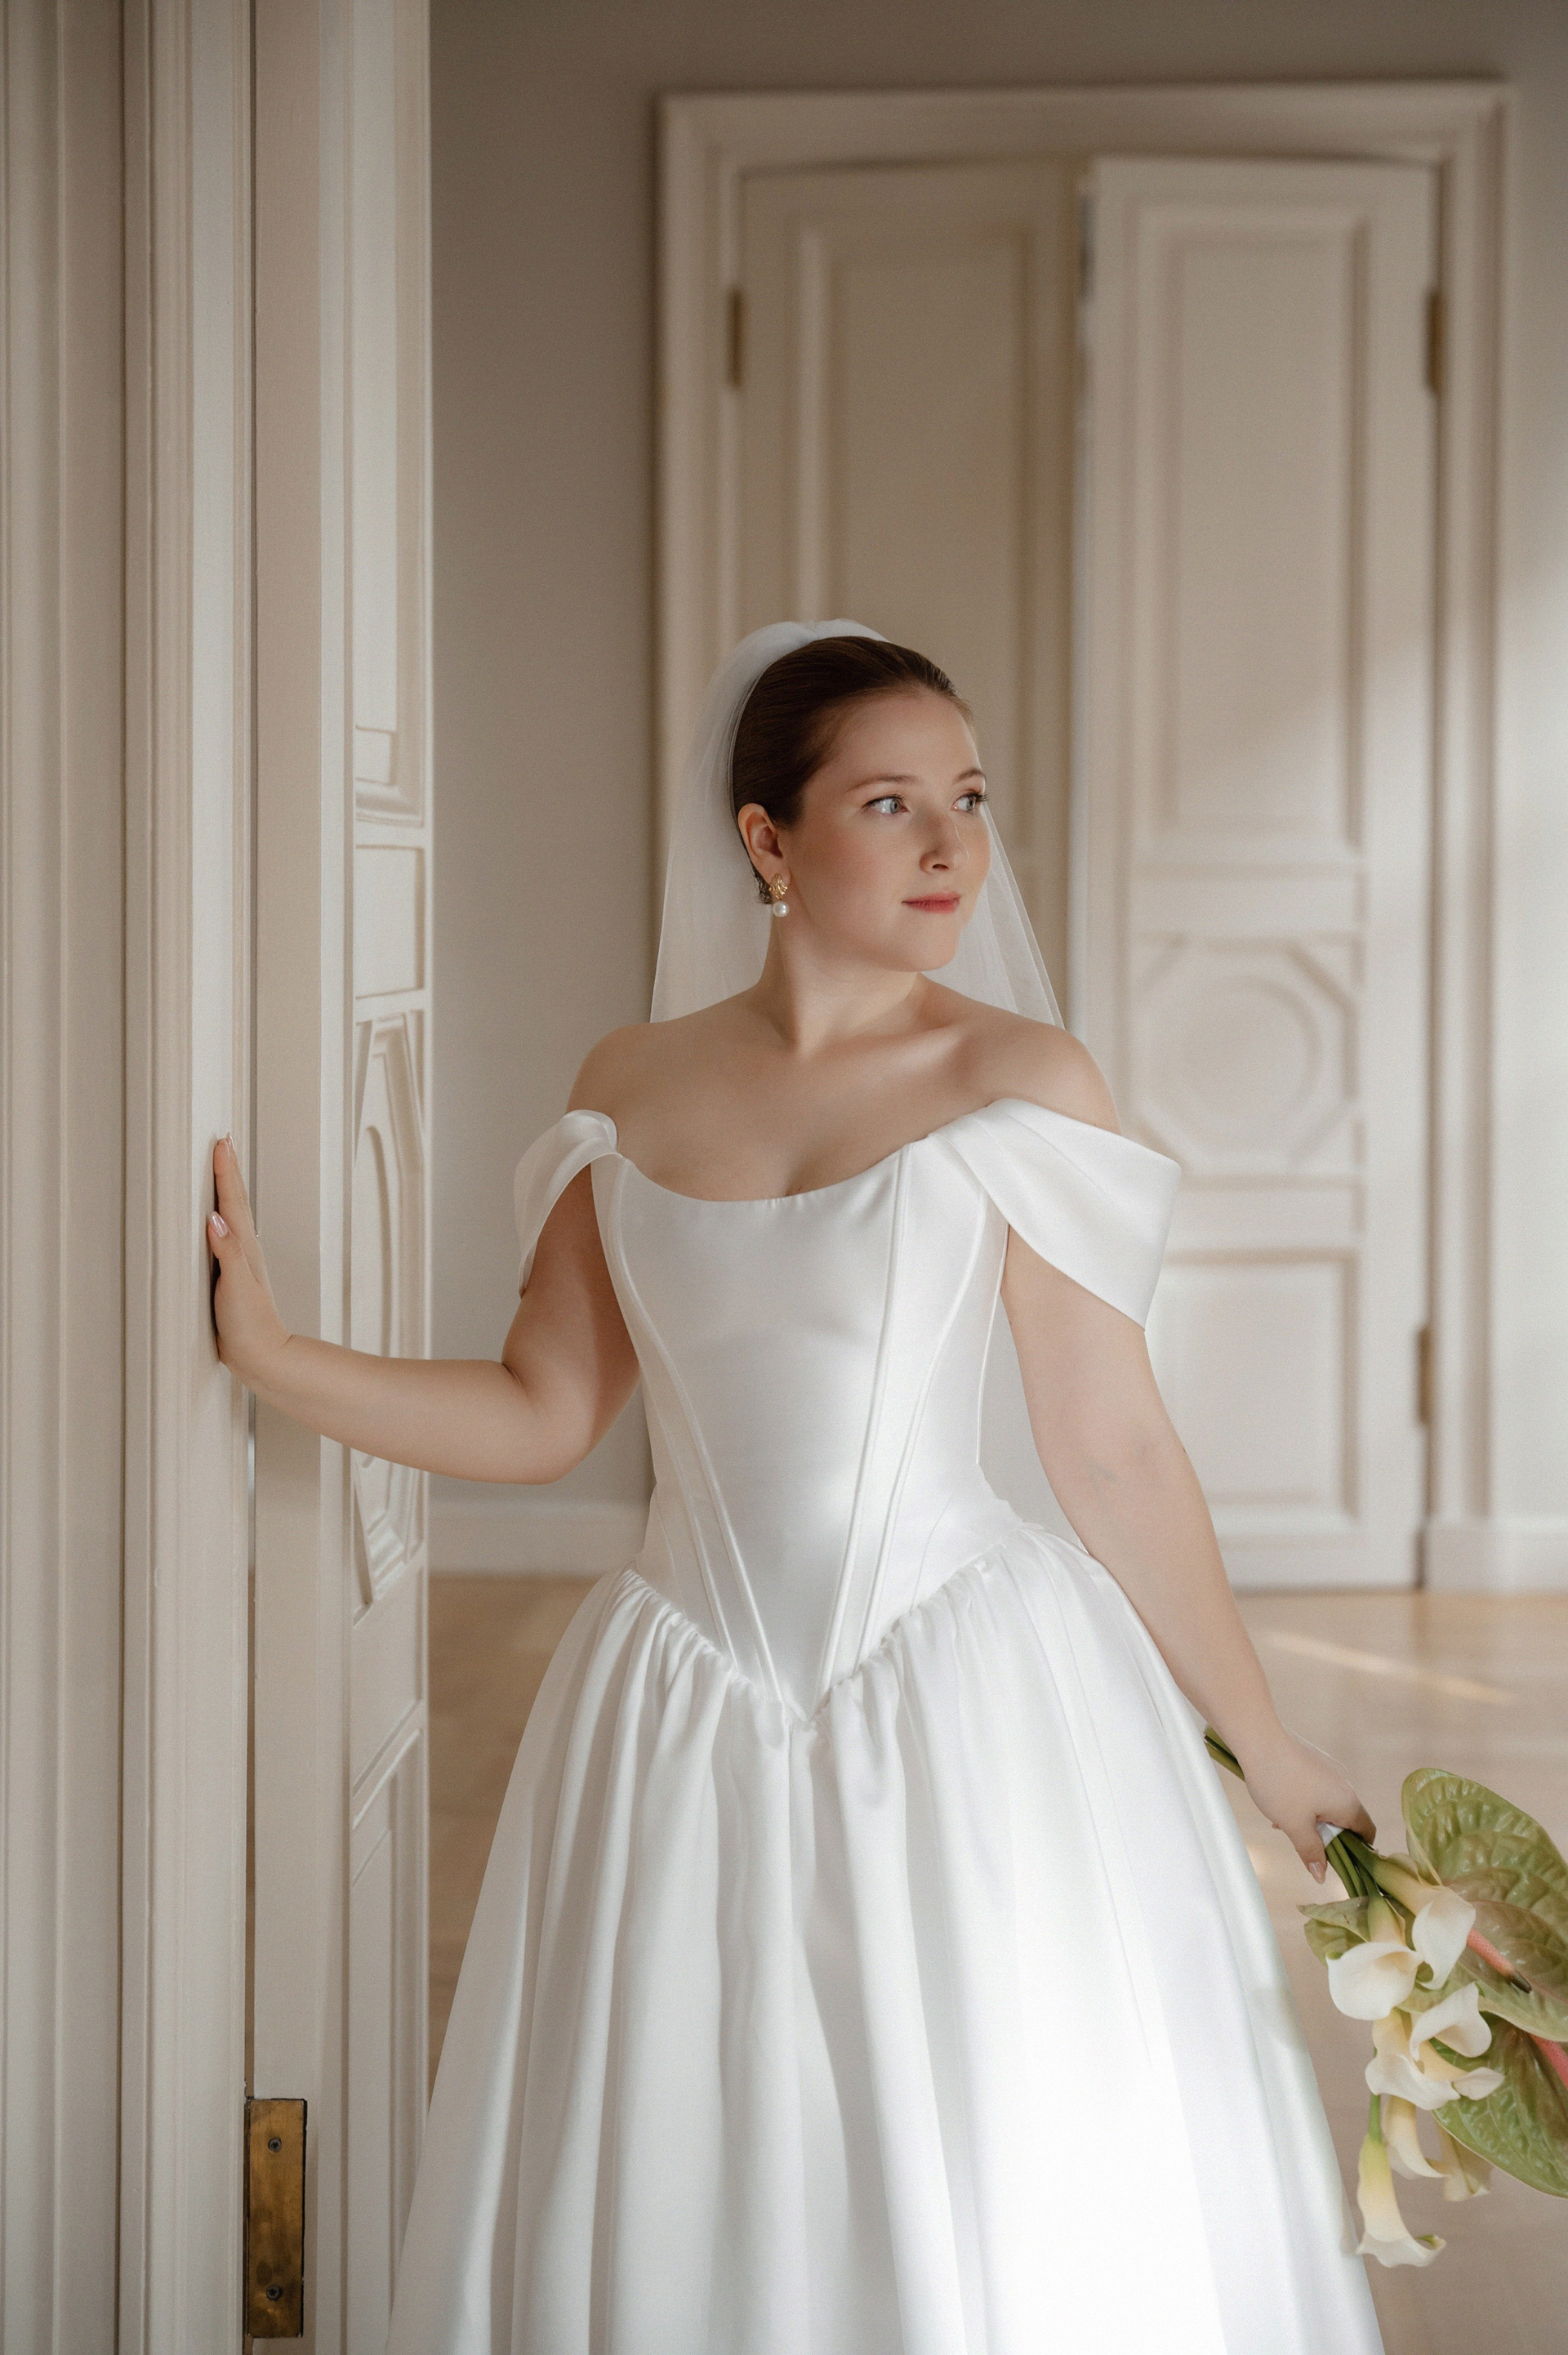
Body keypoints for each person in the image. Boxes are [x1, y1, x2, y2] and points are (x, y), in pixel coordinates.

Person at [208, 623, 1385, 2353]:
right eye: (890, 803)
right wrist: (274, 1355)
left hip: (958, 1685)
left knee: (977, 2138)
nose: (950, 846)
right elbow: (545, 1409)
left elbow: (1111, 1446)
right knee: (692, 2152)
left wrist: (1267, 1747)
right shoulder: (629, 1084)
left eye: (968, 800)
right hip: (680, 1690)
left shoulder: (1018, 1081)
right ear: (767, 838)